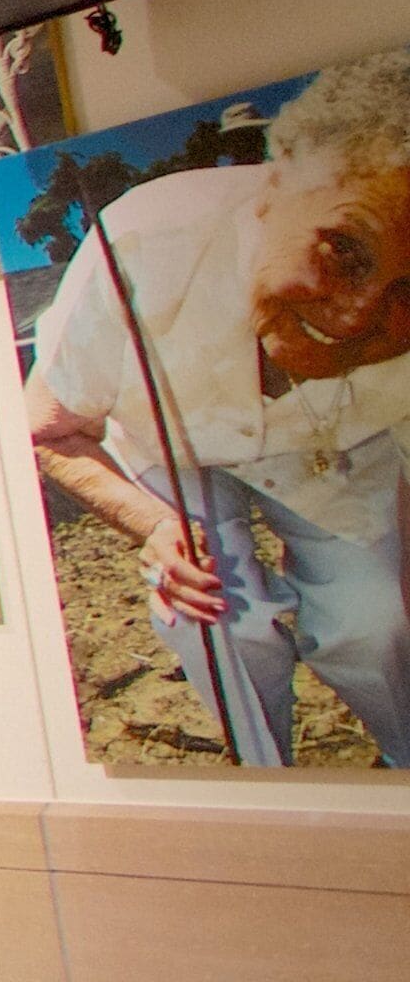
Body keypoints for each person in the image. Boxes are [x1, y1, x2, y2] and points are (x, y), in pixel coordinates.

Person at [23, 49, 410, 765]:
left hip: (328, 445)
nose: (357, 317)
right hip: (162, 433)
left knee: (376, 617)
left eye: (408, 292)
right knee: (216, 613)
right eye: (343, 251)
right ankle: (264, 783)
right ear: (273, 186)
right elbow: (47, 430)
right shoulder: (140, 242)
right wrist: (157, 528)